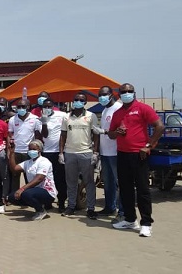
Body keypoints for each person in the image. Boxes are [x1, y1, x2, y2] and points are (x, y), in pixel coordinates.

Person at [108, 83, 164, 237]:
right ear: (119, 94)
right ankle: (130, 219)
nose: (127, 93)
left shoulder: (143, 108)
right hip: (122, 154)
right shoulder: (118, 113)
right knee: (125, 189)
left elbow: (159, 126)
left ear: (134, 93)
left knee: (143, 189)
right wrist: (117, 132)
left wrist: (149, 146)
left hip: (140, 154)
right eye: (123, 91)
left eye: (129, 91)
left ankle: (146, 223)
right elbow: (111, 134)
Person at [59, 92, 99, 219]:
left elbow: (96, 135)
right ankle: (71, 206)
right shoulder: (66, 117)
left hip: (86, 153)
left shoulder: (91, 116)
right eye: (76, 99)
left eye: (81, 100)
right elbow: (63, 135)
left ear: (85, 102)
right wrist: (61, 153)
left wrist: (95, 152)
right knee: (71, 182)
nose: (78, 102)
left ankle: (91, 208)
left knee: (89, 182)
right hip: (70, 153)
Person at [7, 139, 57, 221]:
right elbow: (14, 169)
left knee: (26, 194)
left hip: (47, 191)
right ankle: (38, 204)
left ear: (40, 150)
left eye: (34, 149)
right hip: (34, 190)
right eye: (30, 149)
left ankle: (41, 211)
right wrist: (12, 153)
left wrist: (22, 188)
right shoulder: (28, 162)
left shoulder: (44, 161)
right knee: (12, 197)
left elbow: (39, 179)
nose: (31, 151)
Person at [95, 86, 124, 220]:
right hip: (105, 152)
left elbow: (120, 130)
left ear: (111, 95)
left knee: (120, 183)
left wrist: (105, 133)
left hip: (116, 152)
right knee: (108, 182)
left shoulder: (118, 108)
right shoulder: (106, 109)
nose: (101, 97)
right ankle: (109, 207)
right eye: (100, 95)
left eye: (104, 94)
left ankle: (122, 211)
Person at [8, 99, 42, 194]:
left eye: (23, 107)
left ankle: (29, 195)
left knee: (30, 176)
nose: (21, 108)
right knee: (15, 175)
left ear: (28, 107)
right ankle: (14, 196)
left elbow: (38, 135)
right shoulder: (12, 119)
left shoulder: (35, 119)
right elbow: (10, 133)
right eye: (19, 107)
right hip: (16, 151)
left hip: (29, 152)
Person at [39, 98, 68, 212]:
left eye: (49, 106)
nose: (47, 108)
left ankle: (61, 202)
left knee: (60, 179)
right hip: (47, 152)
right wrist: (44, 122)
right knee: (47, 179)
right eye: (45, 106)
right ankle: (48, 202)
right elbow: (44, 135)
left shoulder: (62, 115)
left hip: (60, 152)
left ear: (53, 106)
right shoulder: (41, 119)